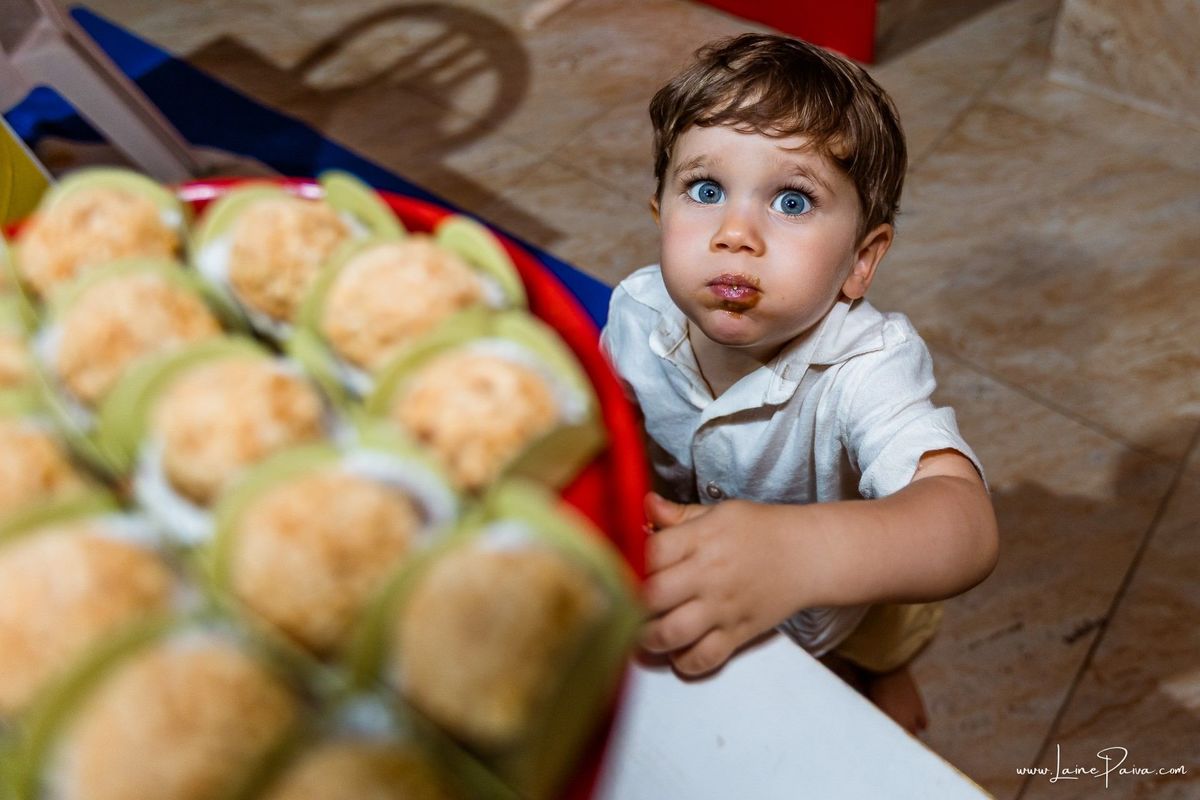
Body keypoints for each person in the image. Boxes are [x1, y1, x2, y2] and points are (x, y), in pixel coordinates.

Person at [599, 32, 998, 735]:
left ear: (861, 260)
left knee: (881, 632)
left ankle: (888, 669)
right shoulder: (636, 311)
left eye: (791, 201)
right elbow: (613, 419)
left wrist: (799, 553)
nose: (735, 233)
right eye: (705, 190)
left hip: (844, 604)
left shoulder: (867, 367)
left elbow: (965, 527)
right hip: (701, 578)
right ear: (659, 211)